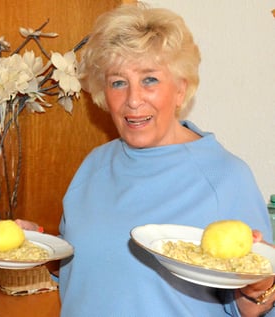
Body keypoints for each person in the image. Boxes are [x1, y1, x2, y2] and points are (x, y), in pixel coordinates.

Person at [58, 4, 275, 317]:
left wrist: (259, 291)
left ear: (180, 89)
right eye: (118, 82)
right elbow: (84, 269)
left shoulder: (225, 177)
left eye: (149, 80)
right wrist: (31, 246)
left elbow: (253, 306)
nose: (133, 100)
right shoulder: (94, 164)